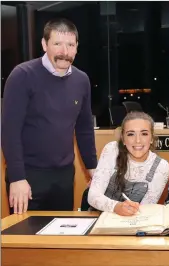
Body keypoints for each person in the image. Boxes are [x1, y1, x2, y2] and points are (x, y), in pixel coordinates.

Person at [1, 18, 97, 214]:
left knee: (59, 239)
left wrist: (93, 169)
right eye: (57, 44)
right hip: (27, 176)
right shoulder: (22, 75)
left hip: (64, 176)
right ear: (44, 45)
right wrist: (18, 177)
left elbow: (84, 128)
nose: (65, 51)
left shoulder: (82, 80)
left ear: (77, 47)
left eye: (70, 45)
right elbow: (10, 131)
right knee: (24, 239)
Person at [88, 111, 169, 216]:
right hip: (100, 217)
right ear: (123, 139)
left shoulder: (161, 167)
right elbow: (93, 196)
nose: (138, 140)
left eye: (144, 133)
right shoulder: (112, 149)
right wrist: (116, 207)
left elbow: (145, 211)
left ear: (151, 138)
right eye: (131, 134)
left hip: (133, 222)